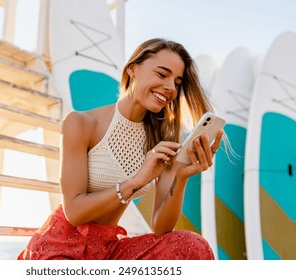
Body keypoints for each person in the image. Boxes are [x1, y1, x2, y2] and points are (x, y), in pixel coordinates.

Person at [17, 38, 223, 260]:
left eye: (177, 82)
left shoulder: (161, 140)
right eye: (162, 74)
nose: (171, 87)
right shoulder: (81, 123)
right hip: (60, 248)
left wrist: (181, 177)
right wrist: (135, 182)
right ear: (133, 69)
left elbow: (161, 228)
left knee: (191, 246)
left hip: (108, 250)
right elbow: (74, 212)